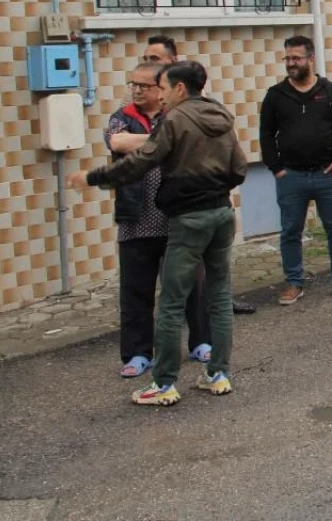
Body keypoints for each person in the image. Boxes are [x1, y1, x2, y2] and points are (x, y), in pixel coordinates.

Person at [70, 61, 248, 407]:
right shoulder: (221, 117)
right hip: (222, 214)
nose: (160, 96)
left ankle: (164, 384)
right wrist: (213, 189)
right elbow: (239, 168)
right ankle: (218, 374)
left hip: (189, 219)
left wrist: (93, 178)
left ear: (180, 89)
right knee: (219, 295)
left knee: (170, 302)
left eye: (163, 88)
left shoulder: (176, 120)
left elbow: (141, 161)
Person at [107, 61, 210, 379]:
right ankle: (138, 353)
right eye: (133, 85)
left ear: (161, 88)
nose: (136, 91)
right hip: (135, 217)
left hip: (178, 216)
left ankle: (201, 342)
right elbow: (118, 143)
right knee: (136, 289)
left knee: (191, 283)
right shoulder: (121, 117)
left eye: (144, 86)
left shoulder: (178, 113)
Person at [143, 35, 257, 315]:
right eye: (146, 59)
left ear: (173, 63)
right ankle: (189, 312)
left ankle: (210, 310)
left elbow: (230, 158)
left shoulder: (197, 105)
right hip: (158, 198)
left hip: (195, 200)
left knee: (208, 262)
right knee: (173, 268)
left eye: (154, 59)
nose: (148, 64)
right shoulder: (143, 98)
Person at [259, 35, 332, 306]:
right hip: (291, 176)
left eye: (296, 58)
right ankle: (293, 282)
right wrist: (276, 167)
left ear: (311, 59)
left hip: (327, 175)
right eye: (287, 58)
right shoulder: (276, 96)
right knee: (290, 231)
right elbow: (266, 134)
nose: (290, 63)